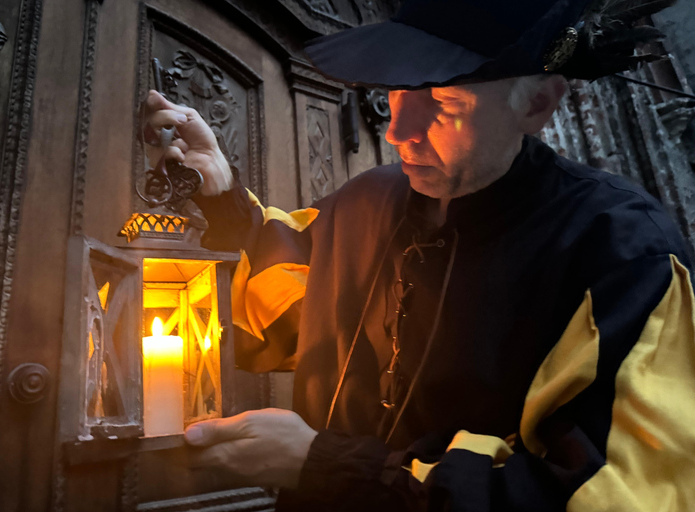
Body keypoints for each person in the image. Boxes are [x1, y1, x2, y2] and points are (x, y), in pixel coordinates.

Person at [142, 0, 695, 510]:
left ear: (539, 104)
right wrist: (225, 200)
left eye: (446, 102)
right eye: (397, 93)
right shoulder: (366, 201)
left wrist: (334, 467)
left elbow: (618, 493)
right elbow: (292, 315)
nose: (401, 133)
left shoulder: (622, 249)